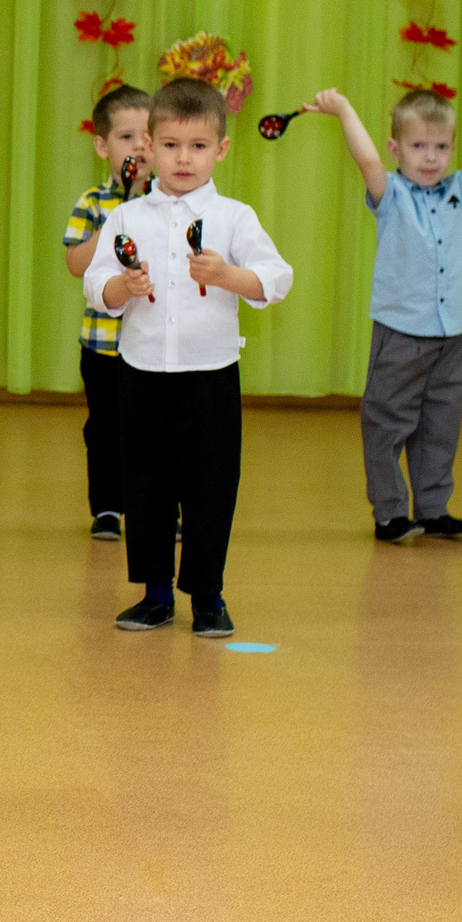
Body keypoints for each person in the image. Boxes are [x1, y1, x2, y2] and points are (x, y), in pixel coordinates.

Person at [83, 77, 294, 639]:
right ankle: (154, 595)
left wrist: (227, 275)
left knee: (211, 485)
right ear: (148, 145)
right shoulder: (128, 218)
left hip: (211, 376)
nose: (183, 158)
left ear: (221, 149)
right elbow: (96, 280)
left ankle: (208, 596)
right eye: (171, 145)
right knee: (145, 484)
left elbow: (276, 279)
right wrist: (120, 291)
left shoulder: (235, 217)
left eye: (198, 146)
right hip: (142, 373)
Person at [304, 75, 462, 544]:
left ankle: (434, 509)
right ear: (397, 149)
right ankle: (390, 513)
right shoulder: (391, 197)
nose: (431, 157)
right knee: (385, 422)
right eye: (418, 146)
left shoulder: (461, 190)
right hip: (401, 333)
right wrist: (341, 108)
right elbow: (365, 158)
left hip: (451, 334)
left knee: (440, 424)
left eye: (440, 146)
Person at [62, 84, 154, 540]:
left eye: (148, 136)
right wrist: (116, 218)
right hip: (102, 344)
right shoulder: (93, 203)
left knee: (157, 432)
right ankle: (107, 508)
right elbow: (76, 264)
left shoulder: (169, 203)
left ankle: (158, 509)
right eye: (126, 137)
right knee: (105, 428)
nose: (139, 146)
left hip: (155, 344)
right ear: (102, 146)